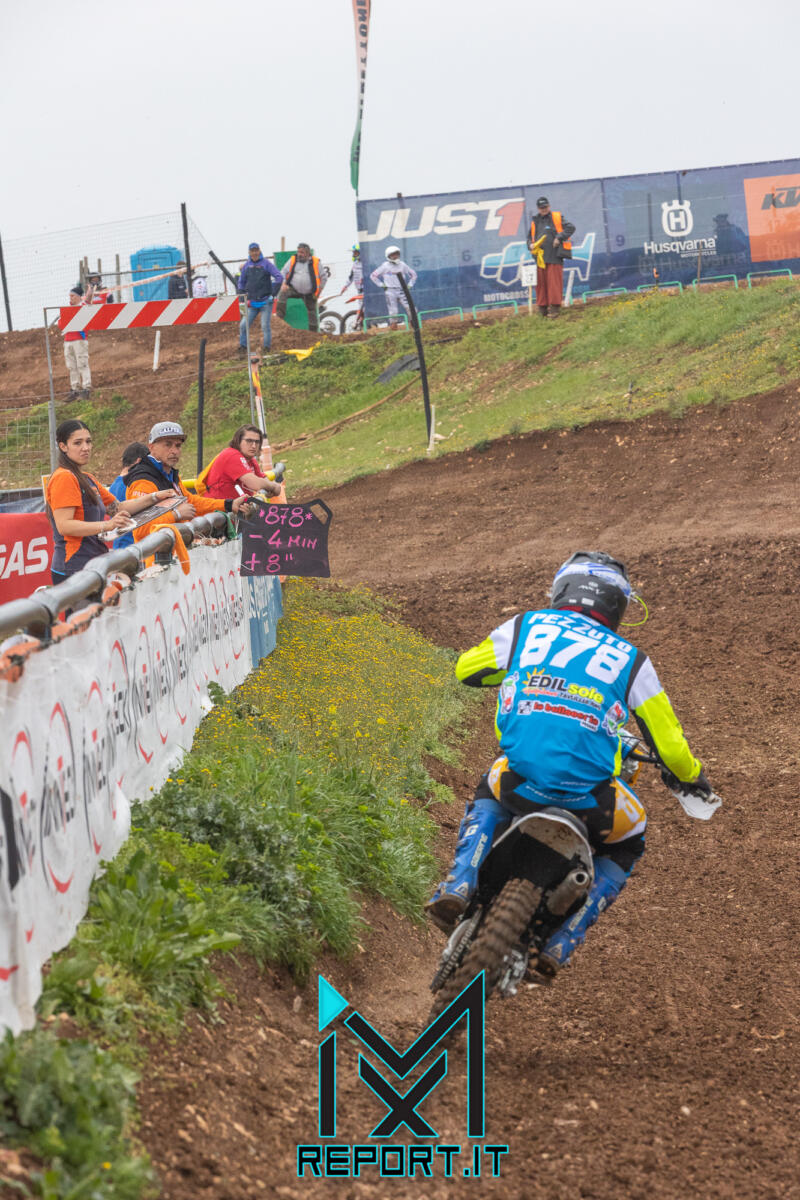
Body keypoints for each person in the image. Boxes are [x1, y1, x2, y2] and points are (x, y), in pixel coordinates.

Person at [426, 551, 719, 976]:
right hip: (590, 801)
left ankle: (459, 882)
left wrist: (517, 674)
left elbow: (466, 670)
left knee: (491, 784)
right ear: (617, 606)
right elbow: (670, 747)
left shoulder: (526, 626)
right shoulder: (632, 660)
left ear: (562, 589)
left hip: (522, 781)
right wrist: (693, 777)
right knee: (630, 840)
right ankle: (563, 941)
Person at [45, 420, 174, 582]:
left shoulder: (87, 478)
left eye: (88, 441)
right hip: (73, 567)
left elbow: (117, 507)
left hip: (93, 564)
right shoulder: (64, 477)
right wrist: (108, 525)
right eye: (78, 443)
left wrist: (154, 497)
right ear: (63, 446)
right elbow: (64, 526)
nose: (86, 447)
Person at [125, 421, 251, 541]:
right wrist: (176, 515)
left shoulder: (169, 473)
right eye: (168, 444)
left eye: (178, 445)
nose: (174, 451)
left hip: (178, 550)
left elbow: (191, 502)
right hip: (155, 555)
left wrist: (228, 505)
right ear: (151, 447)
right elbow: (140, 529)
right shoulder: (143, 481)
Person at [202, 426, 282, 501]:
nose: (254, 446)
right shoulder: (231, 455)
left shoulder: (250, 459)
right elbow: (255, 483)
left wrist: (272, 487)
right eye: (249, 441)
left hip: (236, 507)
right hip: (217, 509)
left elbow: (263, 479)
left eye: (257, 442)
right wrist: (273, 486)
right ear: (238, 441)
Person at [527, 196, 576, 317]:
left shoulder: (557, 217)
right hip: (539, 258)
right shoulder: (535, 221)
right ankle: (542, 309)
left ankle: (554, 309)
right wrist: (530, 245)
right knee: (541, 285)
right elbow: (529, 238)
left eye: (545, 207)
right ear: (538, 208)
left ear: (549, 206)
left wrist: (559, 238)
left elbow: (571, 227)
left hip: (554, 256)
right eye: (541, 207)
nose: (543, 209)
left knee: (554, 284)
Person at [237, 243, 283, 356]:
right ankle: (243, 348)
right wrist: (242, 295)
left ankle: (266, 349)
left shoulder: (266, 263)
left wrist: (273, 293)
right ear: (249, 252)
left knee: (265, 326)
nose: (254, 253)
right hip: (252, 303)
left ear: (260, 251)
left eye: (256, 250)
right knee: (243, 325)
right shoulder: (247, 266)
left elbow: (279, 277)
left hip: (266, 301)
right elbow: (241, 282)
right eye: (252, 251)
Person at [109, 441, 151, 548]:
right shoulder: (134, 485)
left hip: (119, 546)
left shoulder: (113, 486)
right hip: (133, 547)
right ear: (139, 461)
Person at [275, 243, 322, 333]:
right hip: (294, 289)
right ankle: (279, 319)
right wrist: (284, 284)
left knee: (312, 310)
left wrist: (319, 291)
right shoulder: (293, 259)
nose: (299, 254)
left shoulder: (315, 262)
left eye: (302, 252)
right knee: (283, 292)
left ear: (307, 253)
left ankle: (314, 334)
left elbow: (324, 277)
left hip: (309, 291)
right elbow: (283, 272)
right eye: (298, 252)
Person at [369, 245, 418, 330]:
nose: (395, 256)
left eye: (397, 254)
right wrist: (381, 285)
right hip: (390, 291)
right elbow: (373, 276)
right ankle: (394, 329)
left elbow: (414, 275)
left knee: (411, 308)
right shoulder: (385, 266)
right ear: (388, 256)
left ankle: (415, 326)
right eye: (392, 255)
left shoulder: (402, 265)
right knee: (393, 311)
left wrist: (410, 285)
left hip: (402, 290)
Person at [62, 285, 92, 400]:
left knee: (82, 364)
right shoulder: (68, 309)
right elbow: (61, 323)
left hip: (79, 339)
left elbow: (88, 300)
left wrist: (89, 292)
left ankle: (86, 388)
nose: (71, 298)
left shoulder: (84, 306)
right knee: (71, 366)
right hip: (68, 340)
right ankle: (75, 389)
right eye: (70, 296)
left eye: (73, 296)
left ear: (79, 297)